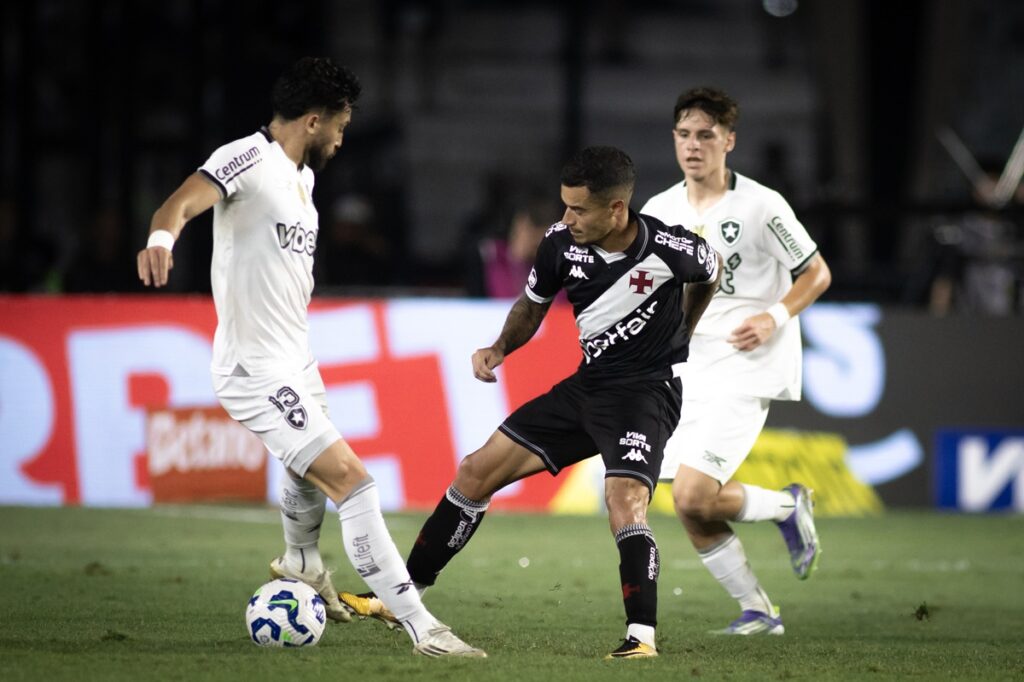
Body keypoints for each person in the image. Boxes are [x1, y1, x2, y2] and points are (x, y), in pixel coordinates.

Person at [136, 56, 484, 658]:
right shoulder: (247, 157)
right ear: (315, 120)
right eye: (341, 126)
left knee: (308, 473)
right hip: (255, 368)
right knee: (353, 482)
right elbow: (181, 201)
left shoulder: (305, 179)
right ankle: (423, 628)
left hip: (295, 360)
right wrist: (161, 238)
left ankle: (300, 563)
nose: (343, 138)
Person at [345, 146, 721, 658]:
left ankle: (641, 637)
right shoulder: (561, 244)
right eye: (564, 206)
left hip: (645, 394)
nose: (567, 219)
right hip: (586, 388)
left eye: (579, 209)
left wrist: (685, 328)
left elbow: (711, 271)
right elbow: (532, 305)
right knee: (475, 472)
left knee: (624, 503)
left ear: (616, 210)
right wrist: (499, 348)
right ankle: (402, 595)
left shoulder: (671, 247)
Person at [640, 87, 832, 635]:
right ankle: (760, 609)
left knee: (692, 493)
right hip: (689, 366)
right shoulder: (660, 210)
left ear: (729, 140)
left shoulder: (762, 205)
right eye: (683, 135)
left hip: (750, 361)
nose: (693, 146)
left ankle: (788, 511)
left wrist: (774, 315)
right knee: (690, 505)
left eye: (705, 135)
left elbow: (816, 273)